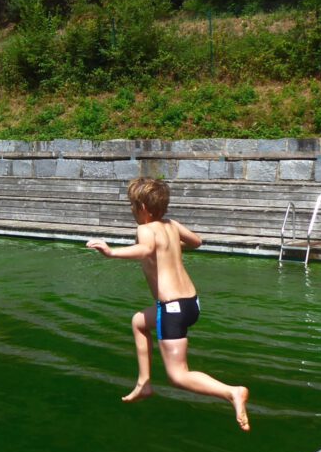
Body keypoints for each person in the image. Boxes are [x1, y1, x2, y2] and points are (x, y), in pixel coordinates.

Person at [86, 177, 251, 431]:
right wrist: (170, 248)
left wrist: (111, 252)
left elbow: (143, 249)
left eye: (132, 205)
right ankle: (144, 383)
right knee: (139, 321)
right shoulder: (171, 225)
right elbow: (196, 241)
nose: (131, 210)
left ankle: (232, 392)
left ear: (142, 207)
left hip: (172, 308)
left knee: (178, 375)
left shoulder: (146, 230)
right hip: (192, 304)